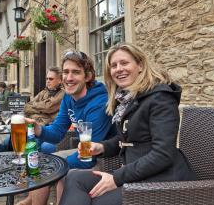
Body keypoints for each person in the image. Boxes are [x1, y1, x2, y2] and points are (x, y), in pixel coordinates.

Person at [59, 43, 197, 205]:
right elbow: (127, 139)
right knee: (74, 177)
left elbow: (163, 155)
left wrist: (117, 178)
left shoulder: (160, 98)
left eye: (124, 63)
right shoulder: (127, 98)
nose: (118, 69)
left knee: (96, 199)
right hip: (135, 174)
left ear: (140, 65)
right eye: (114, 65)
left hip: (162, 181)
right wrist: (102, 147)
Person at [18, 50, 116, 205]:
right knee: (39, 163)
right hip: (83, 150)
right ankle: (32, 200)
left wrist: (54, 165)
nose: (69, 78)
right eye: (65, 72)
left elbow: (87, 158)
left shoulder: (98, 102)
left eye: (76, 72)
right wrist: (38, 129)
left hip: (105, 159)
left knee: (48, 168)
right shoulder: (69, 97)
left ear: (88, 76)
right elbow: (57, 132)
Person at [0, 66, 65, 153]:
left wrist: (35, 106)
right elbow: (26, 106)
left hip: (44, 127)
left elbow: (48, 107)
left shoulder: (62, 94)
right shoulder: (44, 92)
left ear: (60, 80)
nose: (48, 81)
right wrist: (41, 108)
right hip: (30, 124)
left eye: (51, 79)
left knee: (28, 149)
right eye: (47, 78)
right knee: (4, 144)